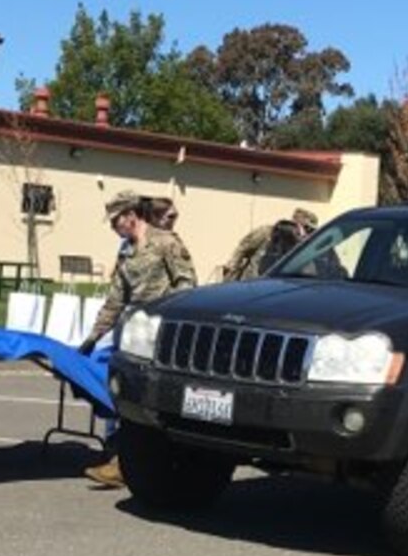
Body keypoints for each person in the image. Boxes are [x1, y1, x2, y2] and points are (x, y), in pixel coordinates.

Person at [78, 191, 197, 487]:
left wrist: (168, 323)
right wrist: (93, 337)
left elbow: (187, 286)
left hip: (162, 334)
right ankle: (118, 456)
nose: (113, 226)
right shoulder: (127, 251)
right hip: (132, 333)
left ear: (132, 215)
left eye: (116, 220)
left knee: (147, 399)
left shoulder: (167, 243)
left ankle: (131, 463)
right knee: (121, 391)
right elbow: (115, 299)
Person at [221, 208, 319, 283]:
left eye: (311, 231)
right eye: (307, 228)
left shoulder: (301, 245)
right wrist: (231, 271)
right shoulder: (266, 232)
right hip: (251, 283)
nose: (308, 233)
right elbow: (242, 249)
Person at [143, 196, 198, 285]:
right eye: (171, 216)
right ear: (155, 217)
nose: (174, 221)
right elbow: (186, 280)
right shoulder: (169, 242)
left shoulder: (134, 240)